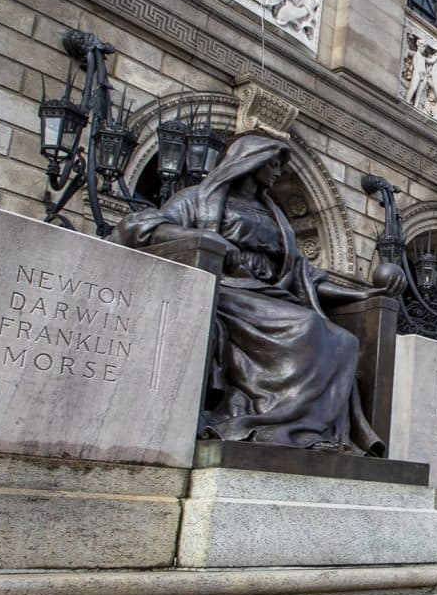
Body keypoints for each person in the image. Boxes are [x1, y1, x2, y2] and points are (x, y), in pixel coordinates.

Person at [116, 134, 403, 453]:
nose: (278, 171)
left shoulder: (276, 216)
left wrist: (365, 296)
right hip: (225, 290)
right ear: (251, 161)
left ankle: (307, 431)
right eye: (273, 164)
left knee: (346, 341)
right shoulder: (198, 198)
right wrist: (201, 236)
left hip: (271, 296)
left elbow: (305, 276)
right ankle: (283, 427)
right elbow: (141, 226)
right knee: (306, 327)